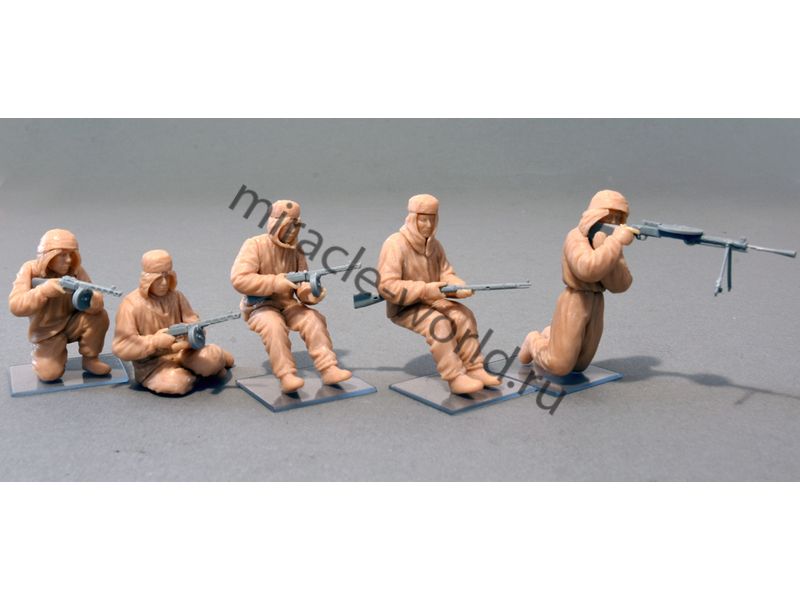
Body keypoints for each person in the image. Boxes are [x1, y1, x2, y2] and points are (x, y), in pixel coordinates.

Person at [377, 194, 501, 395]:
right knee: (438, 324)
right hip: (404, 307)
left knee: (463, 316)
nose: (427, 225)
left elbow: (446, 273)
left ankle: (474, 368)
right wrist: (425, 290)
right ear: (412, 218)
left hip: (433, 300)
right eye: (422, 219)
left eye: (432, 220)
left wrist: (458, 286)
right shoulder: (395, 244)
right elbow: (387, 286)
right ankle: (455, 377)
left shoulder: (435, 246)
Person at [230, 200, 352, 393]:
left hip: (288, 304)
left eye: (296, 226)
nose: (292, 231)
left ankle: (328, 368)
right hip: (260, 306)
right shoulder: (254, 245)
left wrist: (311, 291)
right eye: (288, 227)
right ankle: (286, 375)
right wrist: (274, 283)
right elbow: (239, 279)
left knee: (313, 319)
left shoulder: (297, 250)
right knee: (273, 326)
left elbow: (302, 285)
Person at [519, 190, 634, 376]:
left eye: (618, 218)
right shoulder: (577, 236)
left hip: (596, 302)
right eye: (609, 216)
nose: (612, 222)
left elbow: (621, 285)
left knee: (579, 365)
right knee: (560, 366)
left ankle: (551, 335)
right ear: (596, 214)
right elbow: (587, 269)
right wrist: (614, 242)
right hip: (575, 301)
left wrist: (611, 247)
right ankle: (533, 340)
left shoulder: (607, 242)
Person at [113, 249, 234, 395]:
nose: (164, 283)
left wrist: (193, 333)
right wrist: (154, 342)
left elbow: (193, 321)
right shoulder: (131, 305)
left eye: (167, 277)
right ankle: (207, 371)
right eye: (158, 279)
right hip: (152, 365)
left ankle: (213, 362)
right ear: (147, 280)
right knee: (176, 384)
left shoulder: (177, 297)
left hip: (184, 353)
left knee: (211, 359)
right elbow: (121, 347)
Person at [9, 228, 111, 381]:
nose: (68, 260)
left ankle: (90, 359)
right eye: (62, 255)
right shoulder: (30, 270)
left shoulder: (76, 271)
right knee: (49, 375)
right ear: (48, 256)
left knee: (99, 316)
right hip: (46, 333)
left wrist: (93, 300)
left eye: (71, 254)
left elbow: (94, 296)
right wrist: (43, 291)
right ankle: (44, 354)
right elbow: (16, 305)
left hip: (73, 324)